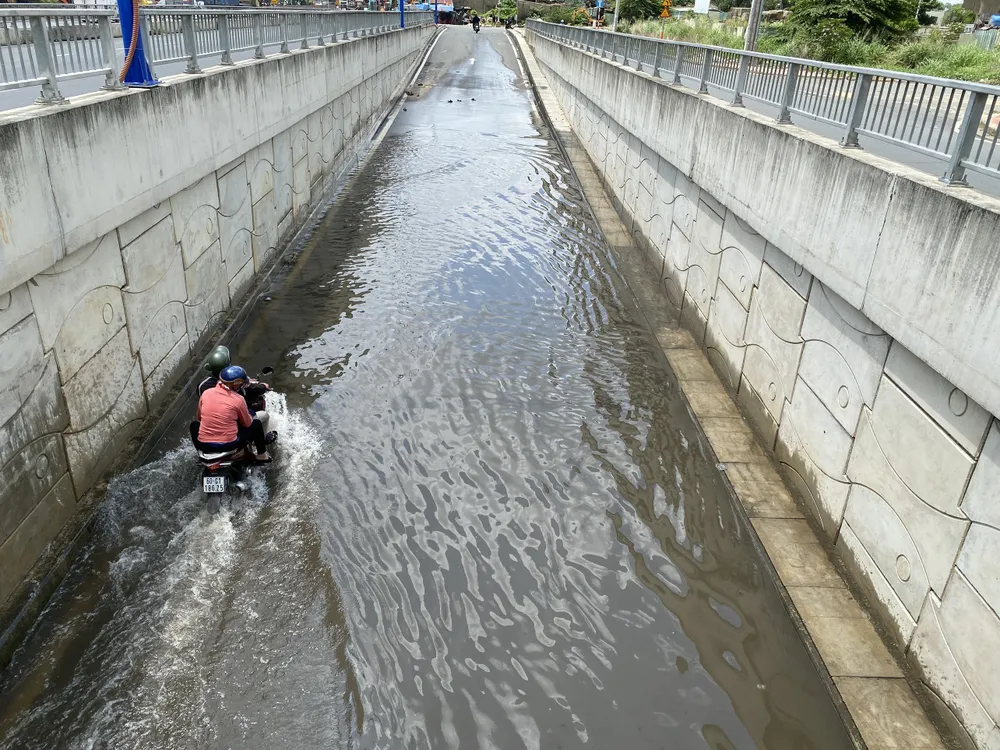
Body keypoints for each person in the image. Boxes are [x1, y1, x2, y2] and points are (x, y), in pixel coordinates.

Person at [195, 366, 272, 462]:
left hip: (204, 445)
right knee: (256, 423)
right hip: (228, 445)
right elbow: (247, 424)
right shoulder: (238, 400)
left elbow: (199, 417)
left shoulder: (205, 393)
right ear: (236, 385)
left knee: (194, 425)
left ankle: (200, 455)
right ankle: (261, 455)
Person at [198, 345, 271, 432]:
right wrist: (263, 387)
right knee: (264, 416)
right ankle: (263, 440)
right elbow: (251, 387)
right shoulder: (235, 393)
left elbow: (199, 415)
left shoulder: (203, 387)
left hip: (210, 425)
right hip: (230, 430)